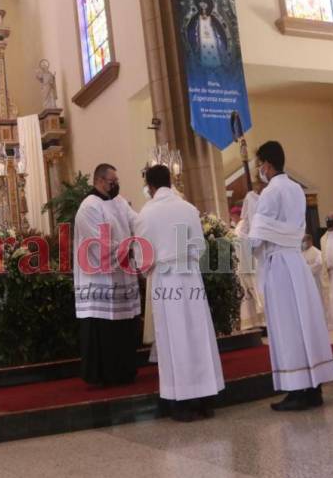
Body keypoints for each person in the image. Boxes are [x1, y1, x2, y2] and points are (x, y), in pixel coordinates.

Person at [250, 141, 333, 411]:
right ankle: (313, 387)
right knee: (304, 323)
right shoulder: (297, 190)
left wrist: (245, 231)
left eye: (259, 165)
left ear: (267, 164)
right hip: (296, 263)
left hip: (279, 266)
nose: (259, 170)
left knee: (287, 326)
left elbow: (255, 241)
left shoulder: (270, 193)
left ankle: (297, 388)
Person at [134, 165, 225, 421]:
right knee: (198, 335)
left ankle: (181, 402)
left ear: (150, 187)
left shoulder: (146, 214)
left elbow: (142, 259)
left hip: (165, 279)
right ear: (170, 181)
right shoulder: (188, 209)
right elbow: (200, 247)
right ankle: (207, 399)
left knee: (173, 339)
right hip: (191, 275)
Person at [73, 163, 140, 386]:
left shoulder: (119, 202)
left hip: (121, 275)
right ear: (100, 181)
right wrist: (129, 249)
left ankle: (124, 370)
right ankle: (103, 375)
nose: (116, 185)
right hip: (99, 279)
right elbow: (98, 245)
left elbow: (137, 222)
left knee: (123, 327)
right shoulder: (89, 207)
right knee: (104, 327)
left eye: (116, 181)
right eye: (112, 182)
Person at [235, 184, 266, 329]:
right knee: (252, 291)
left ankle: (264, 319)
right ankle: (256, 322)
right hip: (247, 261)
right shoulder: (241, 227)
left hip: (255, 260)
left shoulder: (252, 224)